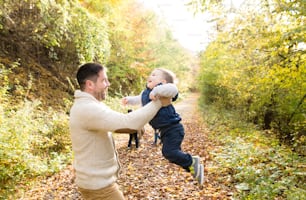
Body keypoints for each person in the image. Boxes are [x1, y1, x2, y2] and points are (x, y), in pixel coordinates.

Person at [69, 63, 178, 200]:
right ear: (90, 84)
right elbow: (129, 122)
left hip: (96, 184)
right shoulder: (87, 108)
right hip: (99, 188)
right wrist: (159, 102)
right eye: (104, 80)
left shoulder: (90, 105)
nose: (108, 84)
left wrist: (136, 127)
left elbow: (120, 125)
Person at [122, 68, 204, 185]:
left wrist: (156, 91)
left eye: (154, 75)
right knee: (171, 155)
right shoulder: (145, 92)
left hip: (173, 128)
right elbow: (138, 99)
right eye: (150, 74)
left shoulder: (164, 90)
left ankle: (192, 162)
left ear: (163, 82)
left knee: (169, 152)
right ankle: (191, 166)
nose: (150, 76)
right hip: (164, 131)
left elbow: (174, 89)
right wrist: (129, 100)